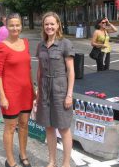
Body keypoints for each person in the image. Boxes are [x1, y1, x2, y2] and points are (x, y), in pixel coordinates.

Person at [0, 13, 34, 167]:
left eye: (17, 25)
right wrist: (2, 96)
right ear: (7, 26)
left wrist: (33, 88)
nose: (15, 28)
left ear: (21, 26)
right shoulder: (1, 47)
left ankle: (23, 154)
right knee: (10, 127)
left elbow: (28, 68)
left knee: (24, 124)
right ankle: (10, 160)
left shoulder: (25, 42)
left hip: (26, 92)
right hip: (10, 93)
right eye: (12, 25)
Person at [36, 12, 75, 167]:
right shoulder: (40, 45)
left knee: (64, 128)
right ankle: (52, 161)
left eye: (52, 24)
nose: (49, 27)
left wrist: (69, 95)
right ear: (43, 26)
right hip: (45, 89)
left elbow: (71, 71)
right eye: (46, 24)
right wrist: (38, 91)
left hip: (60, 89)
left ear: (58, 25)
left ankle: (66, 163)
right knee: (49, 127)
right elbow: (39, 70)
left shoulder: (65, 43)